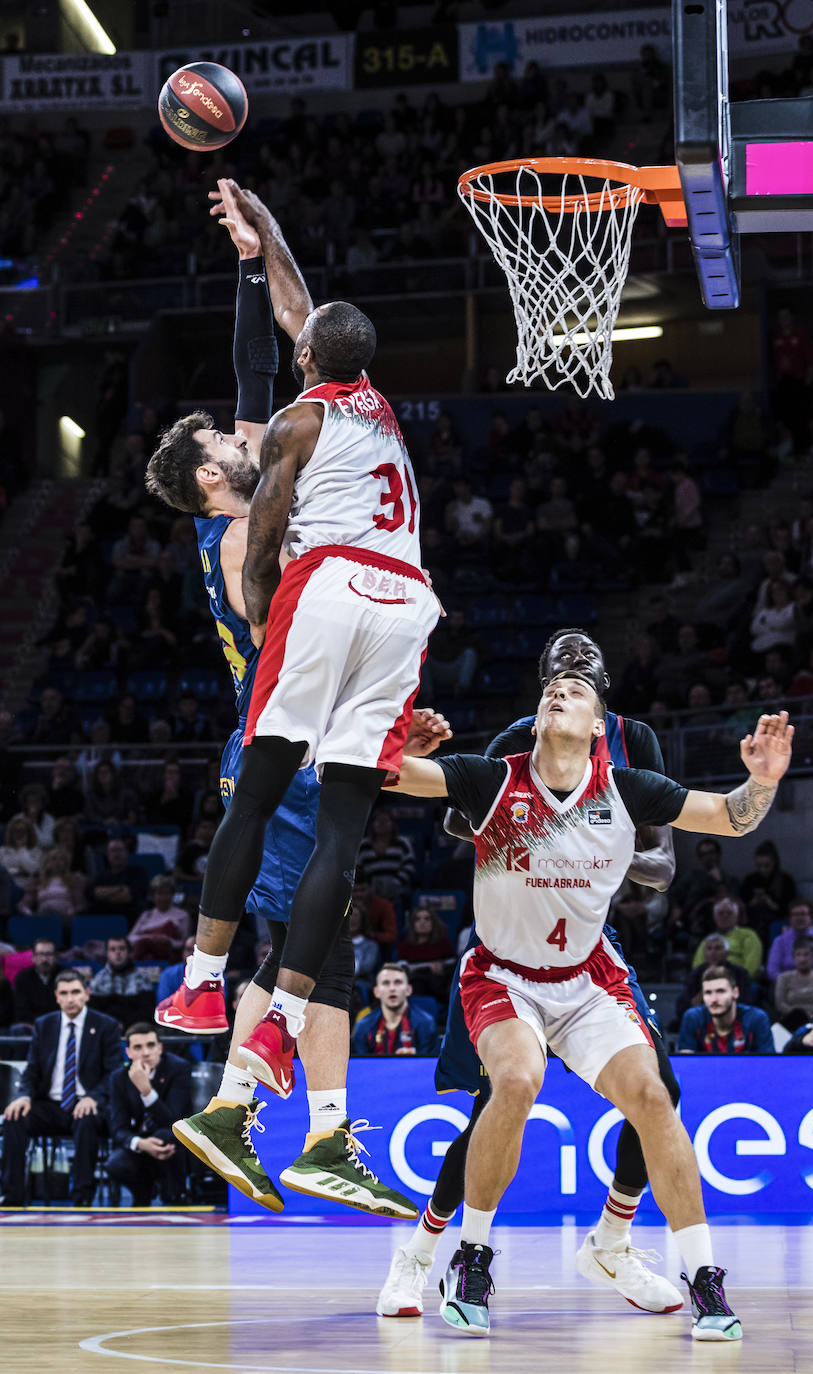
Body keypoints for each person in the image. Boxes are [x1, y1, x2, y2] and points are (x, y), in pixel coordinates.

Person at [146, 179, 438, 1220]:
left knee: (330, 937)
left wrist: (250, 250)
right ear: (213, 477)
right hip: (291, 714)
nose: (243, 433)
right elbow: (278, 623)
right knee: (298, 939)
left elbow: (262, 355)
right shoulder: (233, 534)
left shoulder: (280, 450)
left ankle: (313, 1130)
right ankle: (240, 1092)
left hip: (325, 695)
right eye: (227, 444)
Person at [384, 671, 792, 1338]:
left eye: (574, 690)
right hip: (503, 976)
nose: (557, 692)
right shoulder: (493, 779)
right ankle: (473, 1256)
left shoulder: (626, 791)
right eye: (549, 689)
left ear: (599, 725)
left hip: (586, 979)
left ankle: (704, 1278)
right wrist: (404, 743)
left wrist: (764, 782)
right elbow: (386, 777)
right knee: (515, 1082)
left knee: (655, 1096)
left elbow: (727, 816)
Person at [379, 629, 683, 1322]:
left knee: (661, 1090)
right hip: (509, 942)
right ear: (542, 681)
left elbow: (662, 867)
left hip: (587, 946)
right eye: (558, 665)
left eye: (585, 664)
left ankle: (613, 1241)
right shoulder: (524, 735)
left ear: (603, 686)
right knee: (496, 1104)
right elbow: (463, 818)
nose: (571, 671)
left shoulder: (635, 743)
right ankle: (419, 1255)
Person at [1, 970, 124, 1206]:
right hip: (50, 1104)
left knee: (86, 1120)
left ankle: (82, 1196)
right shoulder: (44, 1025)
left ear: (87, 994)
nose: (70, 999)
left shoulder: (105, 1026)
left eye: (76, 992)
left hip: (88, 1103)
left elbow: (115, 1072)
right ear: (56, 996)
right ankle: (12, 1196)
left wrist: (94, 1097)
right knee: (13, 1118)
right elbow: (33, 1069)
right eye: (64, 993)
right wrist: (24, 1096)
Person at [107, 1023, 192, 1205]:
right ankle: (142, 1193)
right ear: (128, 1053)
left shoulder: (179, 1069)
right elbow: (117, 1128)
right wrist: (140, 1144)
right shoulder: (119, 1077)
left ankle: (176, 1196)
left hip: (174, 1144)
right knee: (115, 1164)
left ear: (160, 1048)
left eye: (151, 1045)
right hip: (141, 1145)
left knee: (164, 1136)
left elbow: (173, 1121)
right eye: (138, 1047)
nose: (145, 1053)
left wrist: (146, 1091)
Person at [678, 966, 774, 1054]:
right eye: (708, 993)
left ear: (735, 993)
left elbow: (767, 1065)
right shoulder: (693, 1018)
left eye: (720, 991)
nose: (714, 999)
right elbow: (685, 1065)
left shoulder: (756, 1019)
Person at [351, 964, 440, 1056]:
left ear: (408, 990)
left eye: (398, 982)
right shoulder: (363, 1026)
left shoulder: (426, 1023)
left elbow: (428, 1064)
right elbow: (361, 1065)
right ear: (376, 992)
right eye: (386, 983)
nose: (392, 989)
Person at [89, 935, 156, 1027]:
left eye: (122, 948)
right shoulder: (98, 979)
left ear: (129, 952)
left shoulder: (142, 977)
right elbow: (94, 1012)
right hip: (105, 1029)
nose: (118, 952)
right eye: (113, 949)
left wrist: (126, 1024)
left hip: (136, 1029)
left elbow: (147, 1010)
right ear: (107, 954)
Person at [692, 897, 763, 981]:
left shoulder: (749, 935)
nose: (725, 916)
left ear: (736, 916)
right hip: (708, 981)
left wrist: (736, 980)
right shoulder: (709, 940)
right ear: (715, 917)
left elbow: (752, 966)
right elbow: (697, 965)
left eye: (729, 913)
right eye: (720, 913)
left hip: (738, 981)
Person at [83, 836, 150, 924]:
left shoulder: (138, 872)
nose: (116, 854)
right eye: (113, 851)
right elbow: (91, 893)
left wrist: (103, 895)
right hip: (102, 920)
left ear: (127, 853)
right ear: (107, 855)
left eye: (120, 850)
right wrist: (120, 889)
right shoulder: (100, 876)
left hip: (130, 919)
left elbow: (130, 896)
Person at [396, 906, 454, 1001]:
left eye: (427, 919)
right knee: (417, 983)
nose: (422, 922)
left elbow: (451, 963)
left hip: (438, 981)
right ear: (413, 924)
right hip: (415, 982)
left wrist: (441, 966)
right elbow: (402, 967)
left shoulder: (443, 943)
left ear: (433, 923)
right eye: (418, 919)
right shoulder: (405, 945)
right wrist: (427, 966)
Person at [766, 897, 813, 979]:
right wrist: (793, 983)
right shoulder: (779, 941)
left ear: (811, 918)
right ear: (789, 918)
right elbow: (772, 971)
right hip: (786, 986)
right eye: (795, 914)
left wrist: (808, 983)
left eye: (803, 914)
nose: (799, 918)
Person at [773, 937, 813, 1031]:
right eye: (798, 955)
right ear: (793, 957)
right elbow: (780, 1004)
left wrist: (812, 1017)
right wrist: (798, 1017)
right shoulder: (783, 978)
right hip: (789, 1022)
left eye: (806, 954)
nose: (802, 959)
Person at [128, 876, 191, 961]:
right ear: (153, 895)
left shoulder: (183, 915)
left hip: (169, 957)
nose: (163, 898)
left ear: (172, 895)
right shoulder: (146, 915)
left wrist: (169, 941)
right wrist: (151, 938)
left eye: (166, 893)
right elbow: (131, 938)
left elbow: (185, 943)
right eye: (160, 893)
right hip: (144, 957)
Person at [12, 939, 61, 1025]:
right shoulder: (22, 977)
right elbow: (21, 1010)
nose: (44, 959)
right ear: (33, 957)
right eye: (40, 954)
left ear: (55, 957)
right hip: (30, 1025)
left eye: (49, 954)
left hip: (59, 1024)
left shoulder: (65, 975)